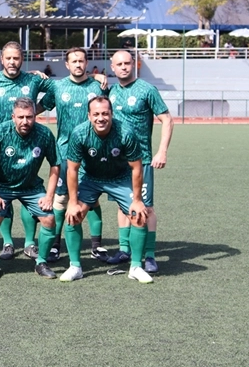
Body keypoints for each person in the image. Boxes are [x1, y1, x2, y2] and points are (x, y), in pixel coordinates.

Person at [63, 96, 151, 283]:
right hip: (90, 179)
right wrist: (72, 203)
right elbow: (72, 169)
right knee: (73, 215)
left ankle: (136, 266)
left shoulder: (126, 133)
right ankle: (75, 266)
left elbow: (136, 168)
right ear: (89, 116)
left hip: (120, 178)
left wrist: (137, 200)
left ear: (111, 114)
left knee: (139, 215)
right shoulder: (79, 134)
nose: (100, 118)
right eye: (96, 114)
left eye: (105, 113)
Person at [106, 50, 173, 273]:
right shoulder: (112, 91)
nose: (124, 67)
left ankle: (151, 255)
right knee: (122, 205)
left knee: (146, 208)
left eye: (127, 63)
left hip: (141, 160)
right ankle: (124, 249)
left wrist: (162, 151)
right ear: (112, 67)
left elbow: (167, 119)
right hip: (117, 161)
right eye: (119, 64)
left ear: (133, 64)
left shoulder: (147, 90)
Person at [39, 47, 107, 263]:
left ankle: (97, 246)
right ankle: (55, 246)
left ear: (87, 63)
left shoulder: (98, 86)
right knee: (61, 198)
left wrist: (99, 76)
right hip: (65, 151)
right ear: (66, 65)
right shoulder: (58, 87)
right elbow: (41, 106)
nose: (78, 64)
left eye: (81, 61)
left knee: (93, 198)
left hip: (93, 153)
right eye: (73, 61)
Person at [0, 98, 60, 279]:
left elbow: (55, 164)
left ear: (35, 116)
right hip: (3, 186)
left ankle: (41, 262)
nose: (25, 121)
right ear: (13, 117)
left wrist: (49, 196)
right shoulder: (0, 132)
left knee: (49, 219)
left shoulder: (44, 134)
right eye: (21, 117)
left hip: (31, 187)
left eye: (29, 117)